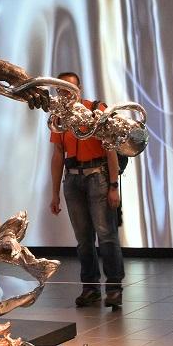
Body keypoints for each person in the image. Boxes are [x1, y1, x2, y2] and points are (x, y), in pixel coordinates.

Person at [48, 71, 124, 309]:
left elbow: (110, 149)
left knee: (106, 235)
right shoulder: (59, 119)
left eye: (70, 88)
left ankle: (113, 288)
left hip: (97, 177)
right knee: (83, 239)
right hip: (72, 180)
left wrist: (113, 186)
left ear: (79, 88)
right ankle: (90, 287)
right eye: (61, 88)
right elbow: (58, 154)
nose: (66, 93)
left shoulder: (96, 110)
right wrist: (54, 193)